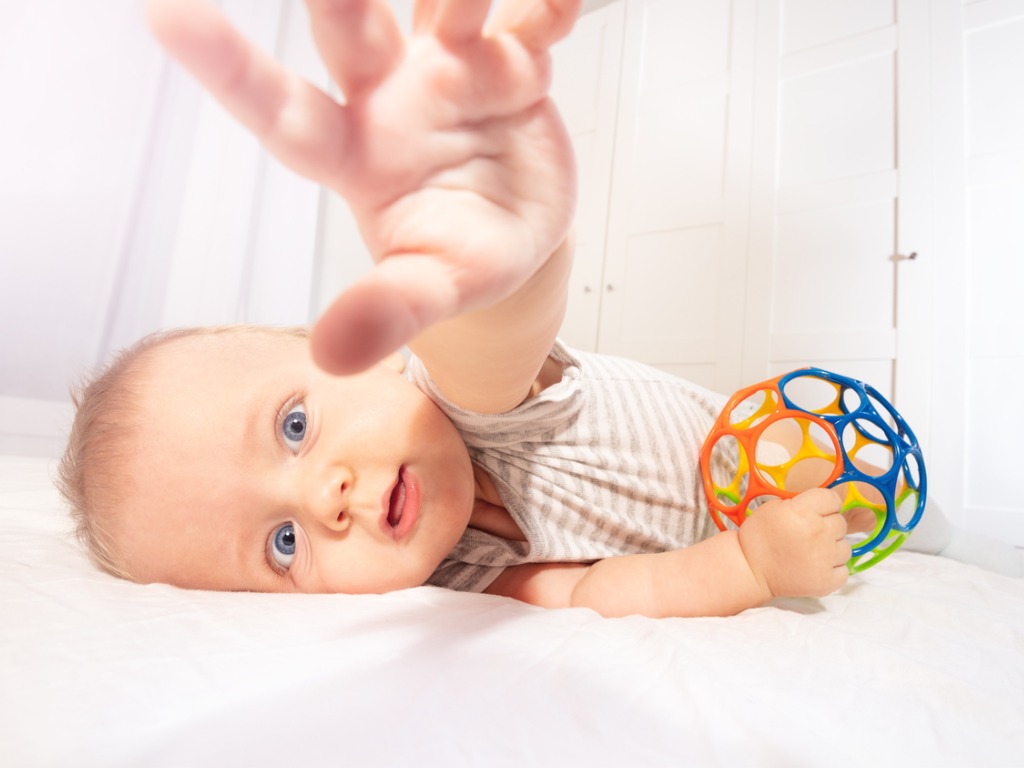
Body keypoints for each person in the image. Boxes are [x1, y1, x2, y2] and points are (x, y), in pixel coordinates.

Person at [57, 0, 1018, 620]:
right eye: (282, 545)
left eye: (295, 425)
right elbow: (603, 589)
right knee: (869, 548)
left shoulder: (463, 399)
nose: (326, 500)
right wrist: (750, 573)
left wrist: (482, 251)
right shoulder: (458, 576)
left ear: (366, 355)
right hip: (759, 523)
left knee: (931, 533)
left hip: (778, 442)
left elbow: (491, 340)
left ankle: (975, 546)